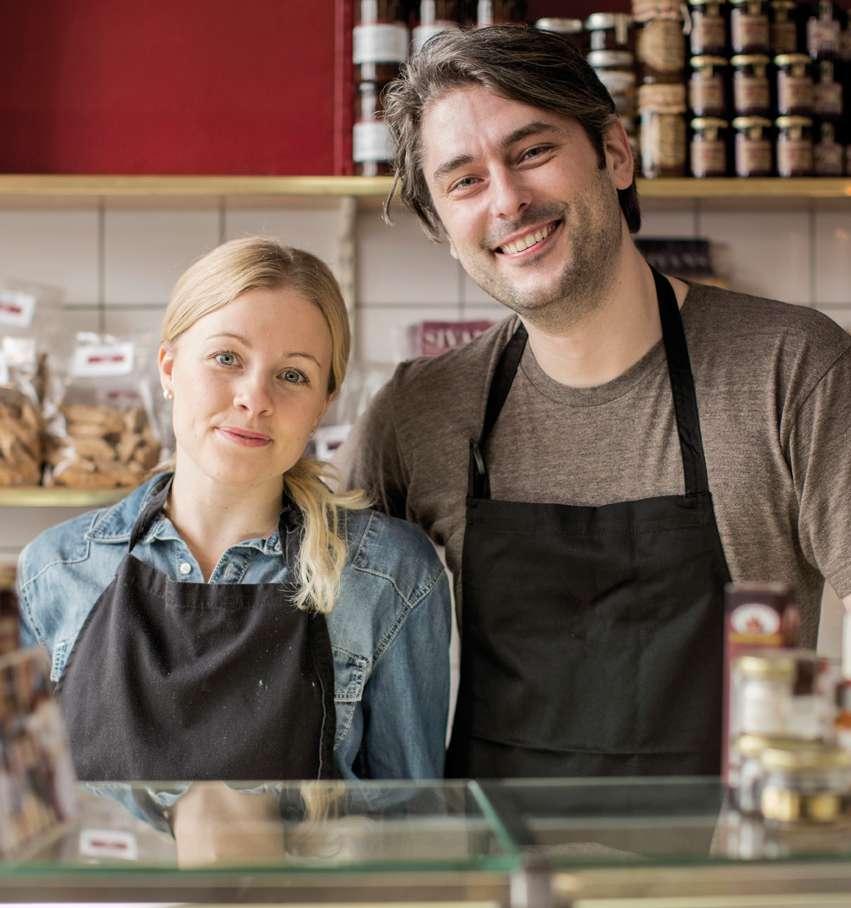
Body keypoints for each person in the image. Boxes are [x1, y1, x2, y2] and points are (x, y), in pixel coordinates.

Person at [340, 26, 851, 779]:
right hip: (495, 877)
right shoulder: (417, 412)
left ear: (615, 153)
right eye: (464, 181)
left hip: (726, 879)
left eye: (532, 152)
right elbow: (322, 646)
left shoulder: (791, 369)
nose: (508, 200)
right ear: (442, 229)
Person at [17, 237, 451, 785]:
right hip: (116, 876)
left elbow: (411, 831)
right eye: (227, 358)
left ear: (323, 402)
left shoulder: (388, 576)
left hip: (302, 877)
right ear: (169, 369)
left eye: (293, 374)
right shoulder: (55, 570)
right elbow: (38, 824)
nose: (255, 397)